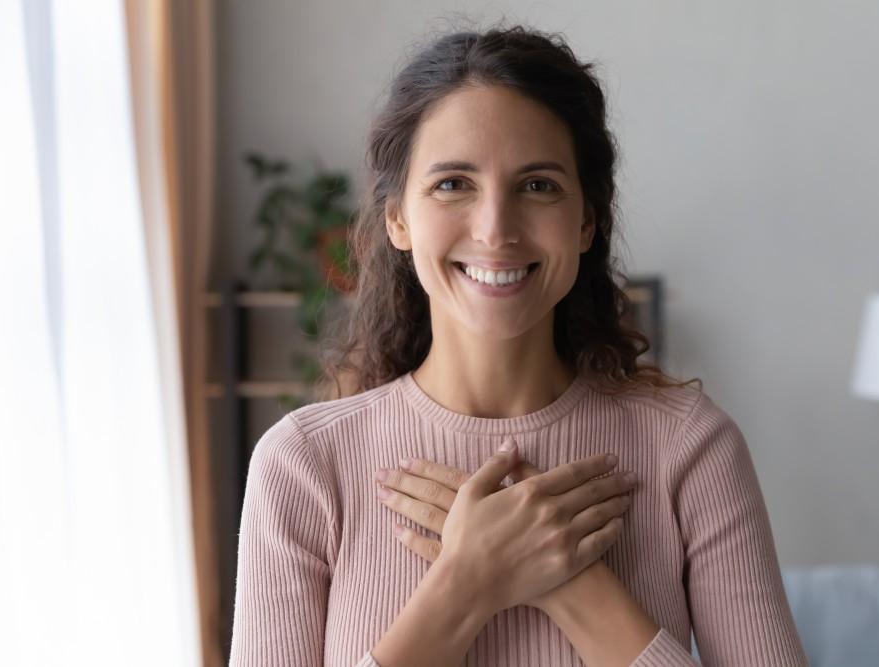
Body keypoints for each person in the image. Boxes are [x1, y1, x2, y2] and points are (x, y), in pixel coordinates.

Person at [229, 22, 808, 667]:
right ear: (397, 218)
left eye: (538, 185)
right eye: (453, 184)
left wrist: (572, 581)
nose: (495, 228)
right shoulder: (305, 464)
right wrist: (465, 583)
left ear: (587, 220)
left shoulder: (690, 450)